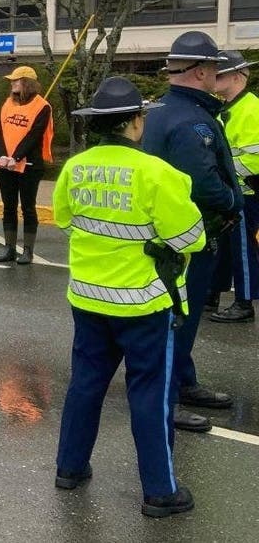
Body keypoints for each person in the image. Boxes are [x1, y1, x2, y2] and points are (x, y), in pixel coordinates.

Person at [53, 76, 204, 517]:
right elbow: (190, 238)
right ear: (136, 123)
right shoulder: (157, 173)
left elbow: (64, 219)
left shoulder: (75, 168)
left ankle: (70, 468)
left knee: (85, 384)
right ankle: (160, 491)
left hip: (88, 300)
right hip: (144, 305)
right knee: (150, 393)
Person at [141, 30, 241, 433]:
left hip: (172, 234)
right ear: (200, 72)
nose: (218, 75)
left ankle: (184, 381)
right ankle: (169, 397)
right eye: (215, 68)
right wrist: (233, 203)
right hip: (190, 235)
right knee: (179, 317)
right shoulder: (189, 121)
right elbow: (200, 182)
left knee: (184, 315)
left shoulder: (163, 111)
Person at [210, 50, 259, 323]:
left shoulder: (251, 108)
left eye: (221, 73)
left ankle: (244, 301)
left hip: (245, 192)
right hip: (229, 191)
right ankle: (213, 293)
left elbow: (254, 158)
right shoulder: (225, 109)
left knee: (242, 248)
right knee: (224, 247)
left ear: (239, 76)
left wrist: (224, 174)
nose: (214, 77)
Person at [0, 66, 54, 264]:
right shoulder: (7, 104)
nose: (12, 83)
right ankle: (9, 248)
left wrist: (16, 157)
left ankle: (28, 250)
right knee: (8, 207)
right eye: (12, 81)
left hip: (29, 165)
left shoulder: (42, 106)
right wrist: (2, 155)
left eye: (16, 80)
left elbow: (34, 136)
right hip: (5, 165)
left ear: (27, 83)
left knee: (28, 207)